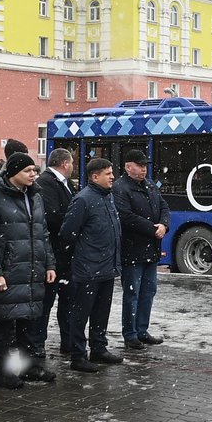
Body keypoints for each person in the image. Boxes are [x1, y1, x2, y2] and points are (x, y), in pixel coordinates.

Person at [0, 153, 56, 388]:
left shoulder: (35, 197)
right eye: (28, 171)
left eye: (34, 170)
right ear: (13, 174)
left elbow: (43, 235)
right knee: (5, 322)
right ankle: (3, 372)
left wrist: (49, 264)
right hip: (9, 271)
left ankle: (27, 367)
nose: (33, 175)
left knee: (29, 322)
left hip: (32, 270)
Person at [60, 157, 122, 372]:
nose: (113, 176)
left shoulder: (108, 197)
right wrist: (85, 253)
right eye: (108, 173)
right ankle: (78, 356)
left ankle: (99, 348)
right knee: (81, 314)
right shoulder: (83, 200)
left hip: (106, 267)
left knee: (101, 312)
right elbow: (67, 233)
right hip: (88, 269)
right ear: (95, 177)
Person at [113, 151, 170, 349]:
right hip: (133, 250)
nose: (144, 168)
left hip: (151, 250)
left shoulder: (150, 185)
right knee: (132, 293)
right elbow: (126, 217)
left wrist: (164, 224)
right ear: (128, 167)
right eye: (139, 164)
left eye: (145, 164)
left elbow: (164, 207)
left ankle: (142, 330)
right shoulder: (120, 188)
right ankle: (130, 334)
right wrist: (153, 229)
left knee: (148, 291)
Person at [35, 149, 77, 368]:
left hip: (66, 254)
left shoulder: (65, 183)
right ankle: (38, 343)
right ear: (64, 163)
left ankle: (68, 341)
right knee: (47, 301)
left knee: (68, 301)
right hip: (52, 254)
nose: (72, 166)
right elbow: (52, 216)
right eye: (71, 162)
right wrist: (74, 226)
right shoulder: (46, 182)